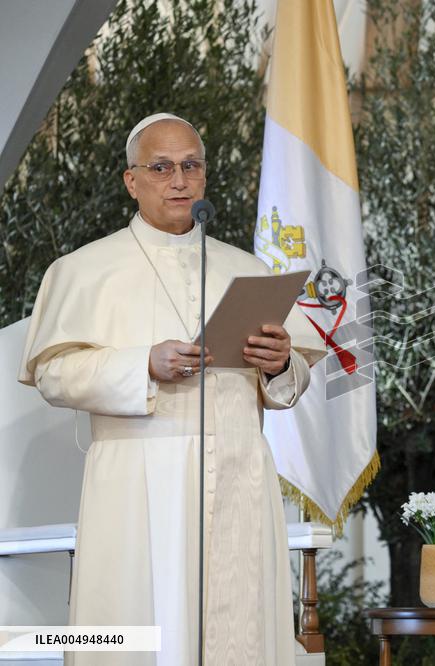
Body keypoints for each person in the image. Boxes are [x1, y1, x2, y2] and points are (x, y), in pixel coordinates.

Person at [18, 113, 326, 665]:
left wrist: (280, 363)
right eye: (160, 168)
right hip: (138, 479)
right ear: (131, 180)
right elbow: (52, 374)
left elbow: (293, 377)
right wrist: (143, 363)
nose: (179, 181)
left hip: (239, 476)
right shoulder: (83, 269)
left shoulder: (248, 270)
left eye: (191, 166)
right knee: (142, 627)